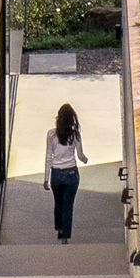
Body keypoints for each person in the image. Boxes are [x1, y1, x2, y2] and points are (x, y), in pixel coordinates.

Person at [43, 101, 88, 242]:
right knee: (68, 205)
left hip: (56, 174)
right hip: (71, 174)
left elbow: (48, 157)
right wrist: (85, 159)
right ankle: (65, 237)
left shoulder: (51, 134)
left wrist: (46, 177)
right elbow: (80, 155)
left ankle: (60, 228)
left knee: (58, 202)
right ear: (72, 118)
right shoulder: (75, 135)